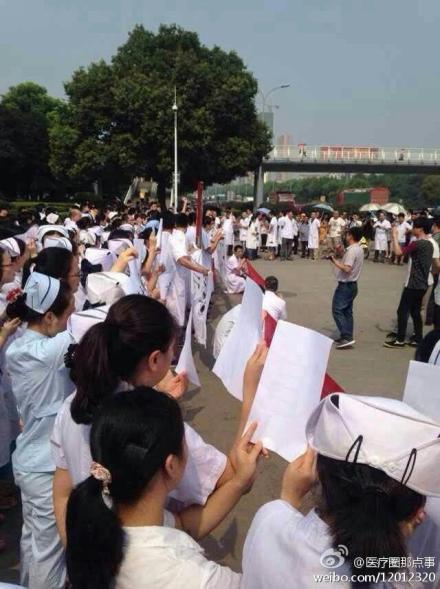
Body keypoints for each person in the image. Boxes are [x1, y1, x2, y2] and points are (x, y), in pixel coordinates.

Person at [51, 296, 267, 546]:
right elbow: (232, 475)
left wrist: (75, 554)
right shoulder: (154, 424)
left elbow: (62, 490)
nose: (174, 355)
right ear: (154, 360)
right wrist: (250, 394)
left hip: (91, 554)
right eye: (172, 350)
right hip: (146, 555)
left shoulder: (74, 406)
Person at [65, 388, 263, 588]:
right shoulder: (196, 578)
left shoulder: (97, 513)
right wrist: (280, 508)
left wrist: (238, 483)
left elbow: (184, 525)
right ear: (171, 465)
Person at [242, 393, 439, 589]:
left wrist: (288, 496)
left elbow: (280, 529)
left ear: (321, 474)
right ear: (414, 511)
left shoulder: (268, 521)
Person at [5, 272, 75, 589]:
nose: (69, 321)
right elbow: (97, 328)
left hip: (30, 460)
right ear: (48, 316)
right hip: (44, 467)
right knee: (50, 553)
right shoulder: (49, 351)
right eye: (68, 314)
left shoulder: (21, 344)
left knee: (33, 540)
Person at [384, 218, 434, 348]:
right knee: (415, 311)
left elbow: (398, 252)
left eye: (414, 227)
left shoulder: (418, 244)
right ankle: (418, 338)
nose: (412, 229)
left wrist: (395, 236)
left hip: (413, 284)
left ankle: (400, 339)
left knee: (402, 311)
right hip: (422, 283)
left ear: (420, 229)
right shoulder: (429, 244)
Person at [329, 227, 364, 349]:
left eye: (347, 234)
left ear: (351, 236)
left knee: (337, 310)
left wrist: (333, 261)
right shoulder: (358, 249)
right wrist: (339, 252)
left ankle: (346, 336)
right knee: (347, 311)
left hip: (346, 285)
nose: (345, 236)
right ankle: (347, 335)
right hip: (352, 285)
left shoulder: (352, 251)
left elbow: (347, 268)